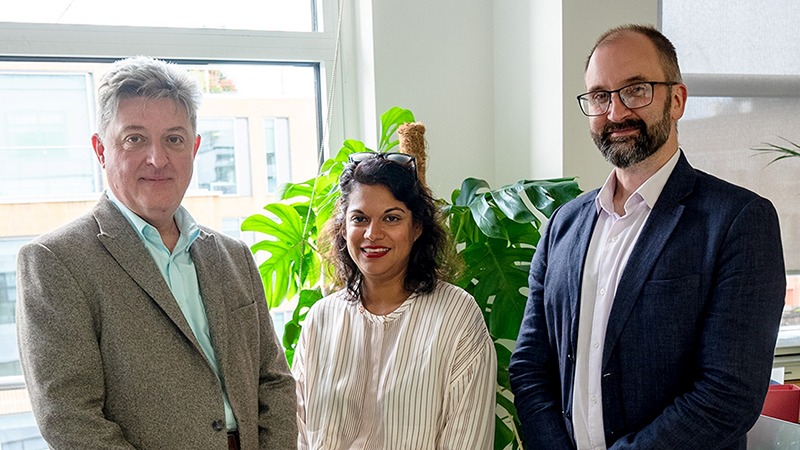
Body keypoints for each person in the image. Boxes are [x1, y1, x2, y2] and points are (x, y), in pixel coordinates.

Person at [508, 24, 785, 450]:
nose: (616, 113)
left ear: (677, 100)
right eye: (600, 96)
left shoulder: (738, 221)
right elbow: (530, 366)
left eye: (636, 90)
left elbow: (728, 394)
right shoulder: (563, 224)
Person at [16, 56, 297, 450]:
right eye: (135, 138)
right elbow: (69, 417)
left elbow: (274, 382)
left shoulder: (233, 256)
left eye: (174, 139)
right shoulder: (55, 261)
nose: (157, 159)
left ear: (194, 148)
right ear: (100, 149)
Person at [292, 152, 496, 449]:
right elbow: (298, 431)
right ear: (343, 228)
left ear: (417, 228)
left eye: (391, 218)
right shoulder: (321, 318)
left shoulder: (457, 315)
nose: (373, 234)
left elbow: (468, 440)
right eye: (359, 218)